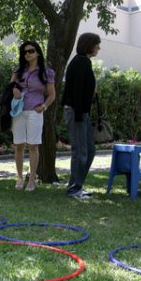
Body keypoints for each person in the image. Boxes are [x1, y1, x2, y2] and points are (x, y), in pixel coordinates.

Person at [10, 41, 56, 192]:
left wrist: (43, 106)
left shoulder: (46, 72)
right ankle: (19, 177)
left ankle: (31, 180)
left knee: (33, 145)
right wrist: (14, 90)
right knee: (18, 145)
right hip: (18, 111)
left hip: (35, 111)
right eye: (25, 52)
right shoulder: (18, 70)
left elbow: (52, 94)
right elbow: (10, 87)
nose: (27, 54)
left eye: (31, 51)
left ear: (38, 52)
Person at [61, 33, 100, 199]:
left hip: (81, 113)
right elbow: (75, 90)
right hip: (76, 112)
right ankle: (74, 189)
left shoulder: (83, 61)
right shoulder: (80, 62)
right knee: (81, 152)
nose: (99, 47)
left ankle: (77, 185)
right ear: (89, 45)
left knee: (90, 150)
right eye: (97, 44)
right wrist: (78, 115)